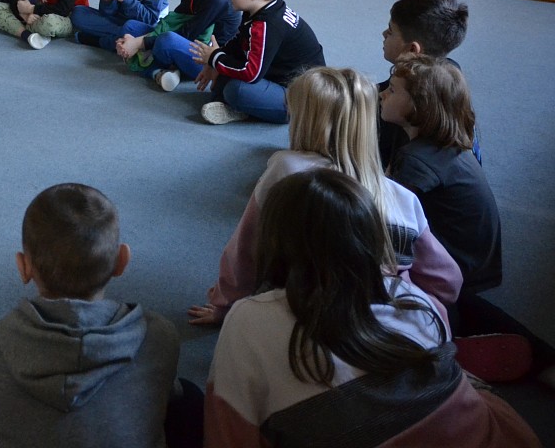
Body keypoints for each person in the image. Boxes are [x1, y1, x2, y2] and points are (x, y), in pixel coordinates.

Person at [204, 167, 540, 447]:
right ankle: (460, 372)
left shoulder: (248, 320)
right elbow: (447, 289)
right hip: (487, 433)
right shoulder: (413, 298)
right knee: (455, 380)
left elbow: (230, 434)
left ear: (273, 240)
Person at [188, 67, 463, 327]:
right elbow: (447, 281)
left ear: (306, 121)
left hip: (311, 312)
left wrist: (225, 305)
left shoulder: (286, 170)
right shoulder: (403, 199)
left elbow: (244, 253)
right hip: (389, 321)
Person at [0, 183, 190, 448]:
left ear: (23, 267)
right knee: (188, 396)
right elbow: (167, 397)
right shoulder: (159, 335)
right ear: (122, 261)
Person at [381, 54, 501, 297]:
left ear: (419, 104)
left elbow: (388, 221)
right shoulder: (446, 143)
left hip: (457, 274)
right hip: (477, 264)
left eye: (391, 90)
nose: (382, 94)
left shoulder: (416, 160)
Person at [189, 0, 324, 124]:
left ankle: (243, 110)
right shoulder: (260, 10)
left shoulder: (267, 24)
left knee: (236, 90)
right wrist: (216, 59)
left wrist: (215, 58)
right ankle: (245, 106)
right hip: (277, 77)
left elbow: (251, 73)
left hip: (299, 100)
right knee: (221, 80)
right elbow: (241, 42)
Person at [378, 0, 476, 167]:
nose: (384, 33)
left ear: (412, 50)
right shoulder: (449, 77)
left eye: (390, 31)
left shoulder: (406, 104)